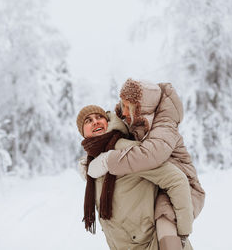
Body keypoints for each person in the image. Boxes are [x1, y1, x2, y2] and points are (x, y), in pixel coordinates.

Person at [87, 79, 206, 249]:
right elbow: (116, 135)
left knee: (164, 217)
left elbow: (149, 155)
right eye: (123, 105)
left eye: (130, 107)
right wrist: (90, 161)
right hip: (161, 182)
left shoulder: (164, 124)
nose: (125, 112)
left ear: (142, 106)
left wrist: (108, 160)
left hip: (185, 184)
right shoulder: (139, 122)